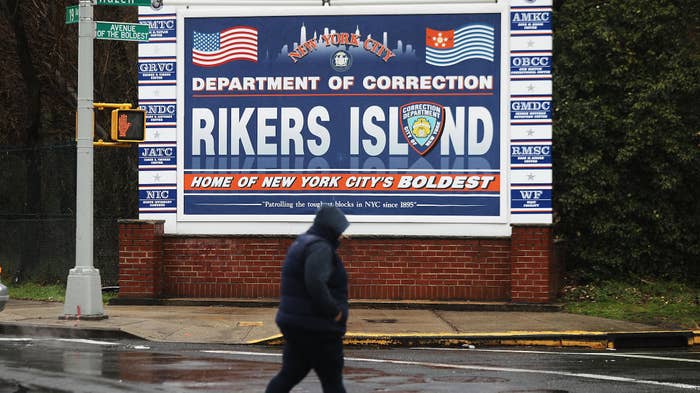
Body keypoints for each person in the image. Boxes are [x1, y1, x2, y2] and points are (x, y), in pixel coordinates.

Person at [265, 205, 350, 393]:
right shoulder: (320, 248)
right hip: (317, 327)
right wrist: (334, 312)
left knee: (290, 374)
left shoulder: (303, 242)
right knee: (332, 382)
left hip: (298, 324)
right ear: (331, 229)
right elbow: (315, 282)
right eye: (340, 231)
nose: (342, 236)